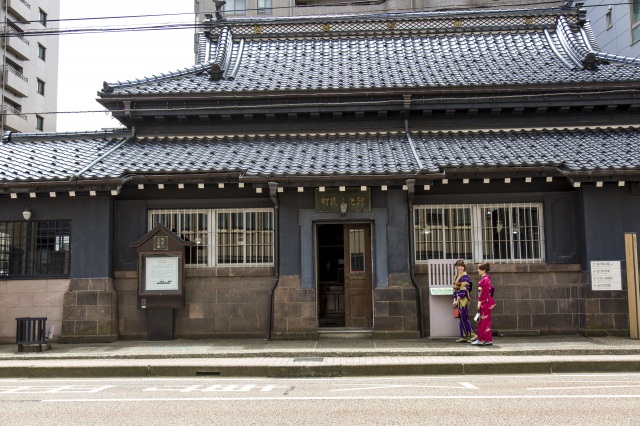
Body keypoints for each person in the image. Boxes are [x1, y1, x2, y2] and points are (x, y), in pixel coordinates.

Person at [471, 262, 496, 346]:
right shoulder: (486, 279)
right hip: (487, 302)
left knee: (482, 321)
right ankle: (488, 339)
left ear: (483, 270)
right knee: (486, 321)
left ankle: (481, 339)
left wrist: (479, 302)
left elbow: (483, 293)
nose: (478, 270)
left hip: (484, 302)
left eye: (479, 269)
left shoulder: (485, 279)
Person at [452, 259, 477, 343]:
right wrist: (454, 299)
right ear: (456, 267)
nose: (460, 267)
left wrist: (457, 299)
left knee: (464, 317)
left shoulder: (465, 276)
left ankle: (473, 335)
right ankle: (464, 335)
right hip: (458, 300)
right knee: (460, 318)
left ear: (464, 267)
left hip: (464, 299)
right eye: (458, 266)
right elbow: (454, 289)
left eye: (462, 266)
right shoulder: (456, 277)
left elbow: (463, 289)